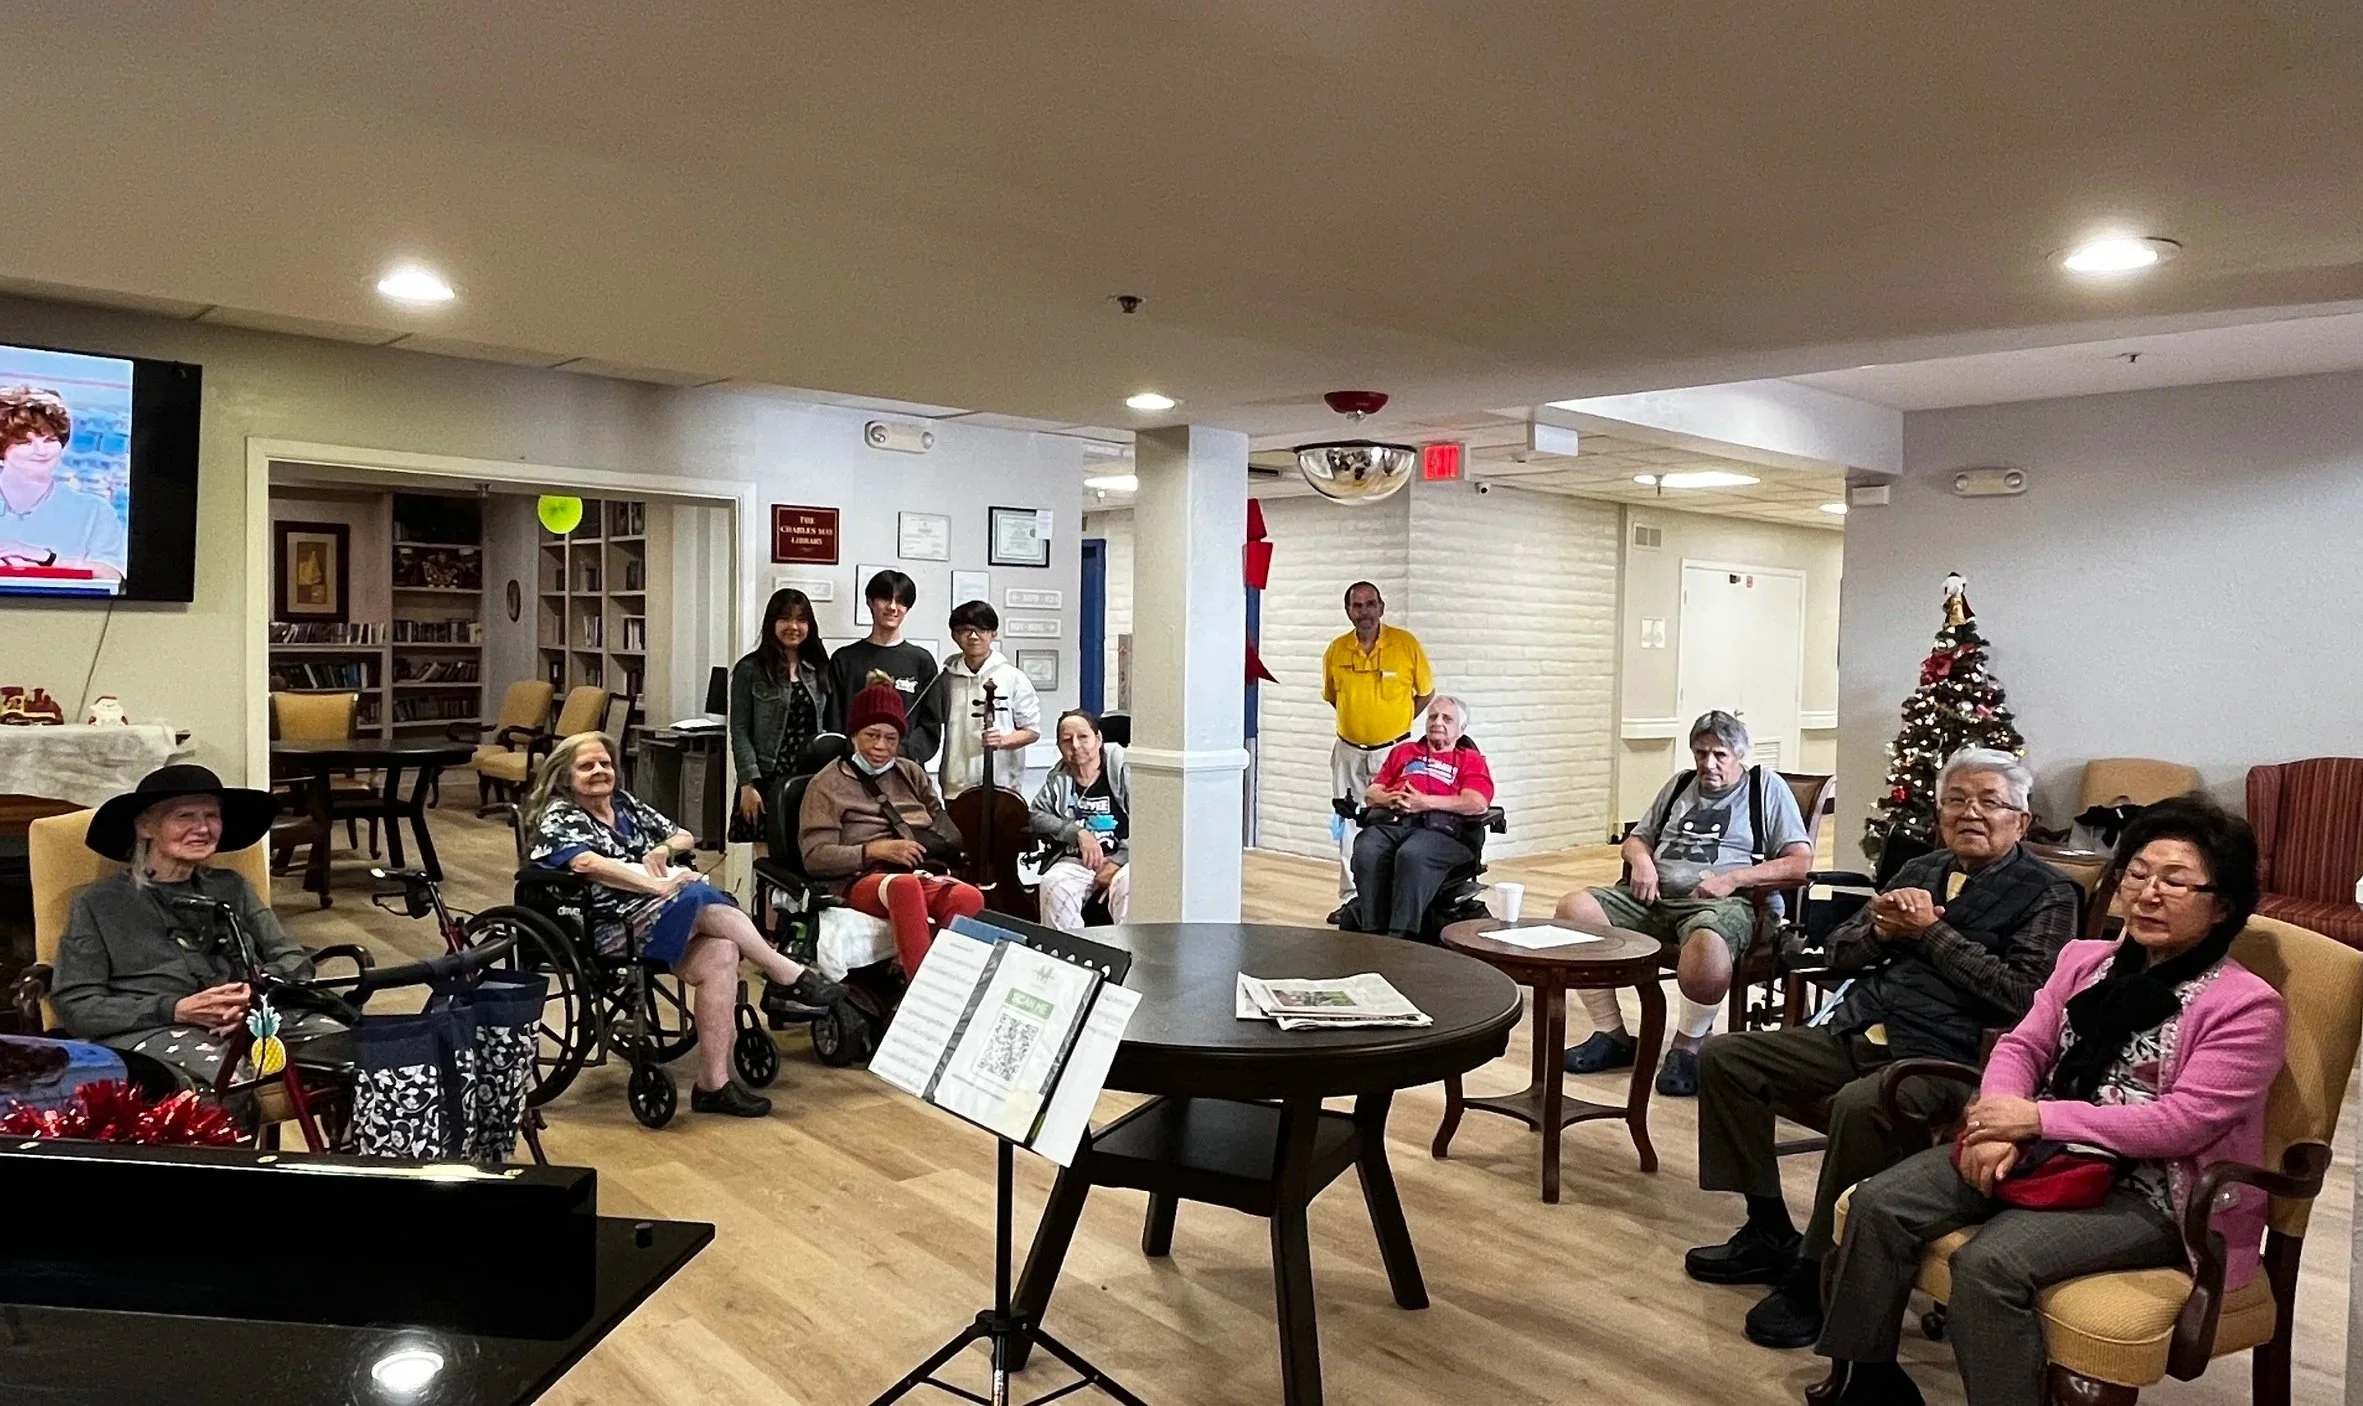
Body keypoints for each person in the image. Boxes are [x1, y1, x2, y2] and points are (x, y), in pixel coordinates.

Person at [1815, 795, 2284, 1406]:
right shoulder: (2085, 962)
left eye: (2175, 882)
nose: (2146, 894)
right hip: (2040, 1150)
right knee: (1880, 1202)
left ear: (2222, 906)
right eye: (2137, 874)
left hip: (2154, 1191)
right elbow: (2021, 1046)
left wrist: (2035, 1116)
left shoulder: (2247, 1007)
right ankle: (1868, 1381)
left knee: (1992, 1264)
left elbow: (2183, 1124)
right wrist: (1997, 1128)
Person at [1687, 748, 2080, 1350]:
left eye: (1989, 802)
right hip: (1860, 1029)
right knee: (1726, 1058)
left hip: (1949, 1057)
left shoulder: (2048, 894)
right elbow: (1838, 953)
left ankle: (1820, 1271)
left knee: (1859, 1104)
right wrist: (1877, 931)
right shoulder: (1921, 868)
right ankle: (1767, 1227)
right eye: (1956, 801)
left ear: (2021, 821)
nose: (1970, 812)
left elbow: (2025, 997)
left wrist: (1931, 934)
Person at [527, 732, 841, 1118]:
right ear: (565, 775)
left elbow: (684, 835)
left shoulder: (625, 806)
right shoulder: (561, 815)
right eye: (587, 766)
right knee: (695, 898)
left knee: (722, 950)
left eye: (605, 764)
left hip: (660, 916)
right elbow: (587, 864)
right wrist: (656, 883)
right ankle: (784, 972)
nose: (599, 771)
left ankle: (713, 1084)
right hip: (608, 925)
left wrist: (664, 850)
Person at [1558, 710, 1814, 1097]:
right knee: (1572, 910)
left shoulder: (1766, 788)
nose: (1707, 764)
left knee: (1708, 945)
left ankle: (1688, 1047)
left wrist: (1732, 879)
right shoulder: (1680, 785)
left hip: (1728, 904)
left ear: (1739, 754)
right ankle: (1611, 1033)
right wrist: (1641, 861)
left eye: (1719, 755)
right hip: (1653, 899)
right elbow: (1637, 838)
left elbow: (1799, 863)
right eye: (1700, 753)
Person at [53, 765, 348, 1090]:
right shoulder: (99, 903)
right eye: (184, 816)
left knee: (352, 1051)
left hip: (253, 1018)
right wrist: (175, 1009)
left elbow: (293, 959)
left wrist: (254, 995)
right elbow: (76, 1003)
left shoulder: (232, 888)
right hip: (155, 1027)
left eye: (212, 815)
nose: (203, 828)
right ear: (145, 826)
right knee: (230, 1080)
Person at [798, 681, 985, 975]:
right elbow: (815, 857)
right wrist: (875, 850)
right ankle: (919, 989)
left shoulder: (910, 772)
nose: (881, 747)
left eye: (891, 738)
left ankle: (951, 981)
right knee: (904, 886)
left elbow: (940, 821)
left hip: (918, 868)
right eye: (872, 735)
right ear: (854, 735)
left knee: (968, 896)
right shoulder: (825, 785)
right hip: (860, 877)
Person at [1321, 581, 1434, 914]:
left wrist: (1395, 727)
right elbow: (1333, 697)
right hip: (1348, 752)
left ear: (1381, 608)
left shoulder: (1405, 645)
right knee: (1347, 825)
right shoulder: (1336, 650)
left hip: (1395, 752)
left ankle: (1385, 897)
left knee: (1395, 819)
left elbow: (1425, 693)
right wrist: (1360, 725)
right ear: (1348, 611)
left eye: (1371, 604)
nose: (1364, 612)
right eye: (1357, 606)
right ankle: (1352, 900)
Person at [1342, 696, 1494, 940]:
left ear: (1460, 729)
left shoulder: (1470, 760)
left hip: (1444, 833)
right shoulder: (1404, 752)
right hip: (1395, 823)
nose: (1438, 722)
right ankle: (1371, 933)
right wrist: (1390, 799)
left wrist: (1424, 802)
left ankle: (1402, 937)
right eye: (1433, 716)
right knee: (1367, 846)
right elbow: (1372, 794)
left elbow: (1476, 803)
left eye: (1447, 718)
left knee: (1413, 853)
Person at [728, 587, 835, 833]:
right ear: (772, 623)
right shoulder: (750, 669)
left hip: (811, 779)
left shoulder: (819, 668)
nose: (793, 626)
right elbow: (740, 730)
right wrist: (747, 784)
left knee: (806, 853)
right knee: (765, 860)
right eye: (785, 618)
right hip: (765, 777)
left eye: (801, 619)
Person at [0, 385, 124, 580]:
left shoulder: (95, 511)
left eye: (49, 440)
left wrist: (46, 558)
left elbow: (113, 575)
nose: (41, 451)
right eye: (25, 442)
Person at [1030, 709, 1131, 931]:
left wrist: (1118, 861)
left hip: (1125, 858)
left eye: (1083, 737)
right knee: (1052, 884)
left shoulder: (1122, 768)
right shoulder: (1059, 777)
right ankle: (1067, 957)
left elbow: (1150, 820)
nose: (1075, 745)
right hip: (1077, 861)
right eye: (1067, 740)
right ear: (1059, 747)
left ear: (1099, 739)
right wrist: (1076, 833)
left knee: (1129, 886)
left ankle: (1130, 958)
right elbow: (1037, 814)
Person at [827, 568, 942, 762]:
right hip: (853, 767)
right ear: (870, 602)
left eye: (901, 602)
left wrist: (896, 751)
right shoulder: (844, 659)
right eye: (885, 599)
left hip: (904, 769)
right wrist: (858, 752)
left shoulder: (922, 661)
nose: (892, 607)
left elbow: (930, 727)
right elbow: (834, 722)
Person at [933, 599, 1041, 799]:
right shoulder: (946, 679)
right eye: (965, 630)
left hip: (1002, 784)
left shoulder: (1013, 677)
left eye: (981, 629)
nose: (973, 636)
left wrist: (1003, 740)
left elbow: (1032, 731)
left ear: (993, 633)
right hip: (956, 783)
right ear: (954, 635)